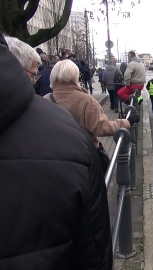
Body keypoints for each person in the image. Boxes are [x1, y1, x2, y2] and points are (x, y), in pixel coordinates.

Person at [0, 32, 113, 270]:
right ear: (77, 76)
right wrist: (124, 123)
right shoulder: (86, 103)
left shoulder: (48, 98)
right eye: (33, 73)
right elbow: (102, 127)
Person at [45, 60, 140, 161]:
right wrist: (126, 122)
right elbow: (102, 128)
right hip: (83, 155)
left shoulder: (45, 99)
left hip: (54, 156)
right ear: (76, 76)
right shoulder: (86, 100)